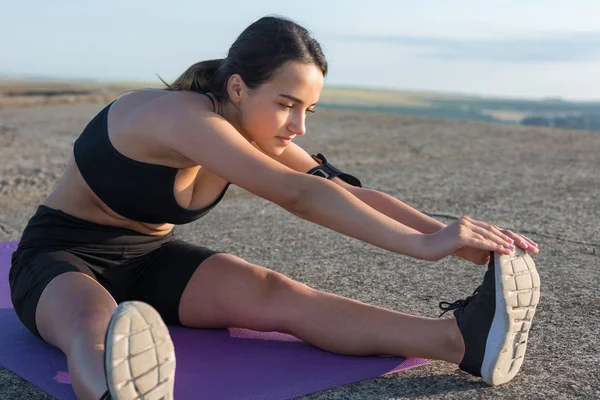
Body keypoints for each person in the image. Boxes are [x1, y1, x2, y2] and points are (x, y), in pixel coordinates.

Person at [9, 15, 541, 400]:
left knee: (279, 293)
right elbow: (298, 196)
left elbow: (342, 191)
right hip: (59, 256)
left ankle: (462, 341)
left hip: (147, 257)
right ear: (237, 87)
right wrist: (422, 247)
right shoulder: (181, 117)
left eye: (308, 109)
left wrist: (451, 235)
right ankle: (115, 391)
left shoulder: (254, 126)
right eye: (287, 105)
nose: (298, 126)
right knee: (91, 322)